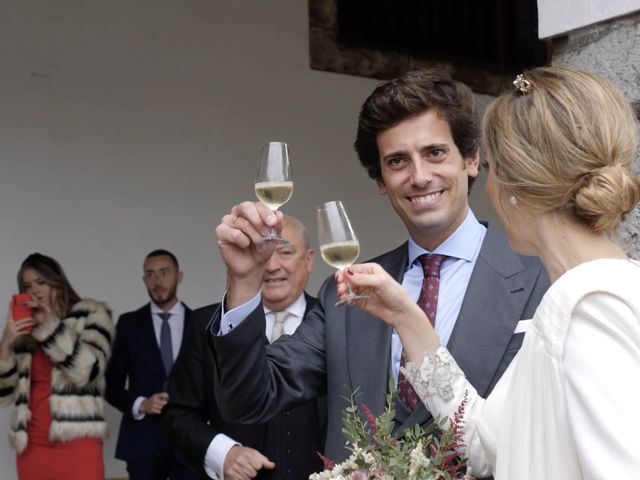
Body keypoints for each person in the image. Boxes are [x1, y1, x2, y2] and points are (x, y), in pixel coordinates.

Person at [209, 68, 550, 463]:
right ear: (381, 180)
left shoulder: (540, 275)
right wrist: (244, 281)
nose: (419, 177)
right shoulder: (346, 290)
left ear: (471, 160)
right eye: (398, 161)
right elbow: (248, 402)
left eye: (435, 153)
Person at [337, 66, 640, 479]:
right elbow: (485, 445)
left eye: (493, 167)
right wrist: (407, 318)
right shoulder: (571, 298)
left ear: (516, 184)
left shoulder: (590, 306)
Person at [164, 215, 325, 480]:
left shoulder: (337, 325)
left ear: (309, 260)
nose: (272, 266)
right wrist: (223, 453)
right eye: (263, 254)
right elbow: (178, 414)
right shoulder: (207, 325)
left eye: (284, 252)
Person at [0, 253, 114, 480]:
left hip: (79, 442)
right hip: (32, 446)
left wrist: (49, 325)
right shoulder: (23, 328)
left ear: (57, 283)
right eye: (28, 285)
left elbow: (88, 371)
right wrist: (6, 344)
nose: (34, 289)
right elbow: (2, 397)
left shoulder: (91, 314)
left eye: (41, 282)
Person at [105, 249, 199, 480]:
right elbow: (110, 384)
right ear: (144, 280)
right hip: (141, 440)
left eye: (164, 273)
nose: (157, 281)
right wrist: (140, 404)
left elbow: (213, 382)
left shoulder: (200, 323)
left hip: (191, 439)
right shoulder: (128, 325)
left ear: (179, 276)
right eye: (150, 275)